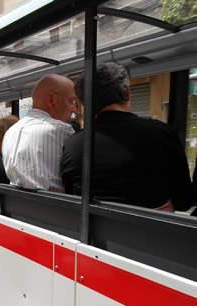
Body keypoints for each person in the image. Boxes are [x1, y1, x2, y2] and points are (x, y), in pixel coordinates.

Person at [60, 62, 194, 211]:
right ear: (126, 91)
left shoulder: (73, 144)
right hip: (151, 231)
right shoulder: (162, 134)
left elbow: (70, 196)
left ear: (85, 102)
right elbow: (184, 201)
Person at [1, 74, 76, 192]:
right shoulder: (62, 130)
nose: (74, 109)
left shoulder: (10, 132)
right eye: (71, 101)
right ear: (51, 99)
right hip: (55, 208)